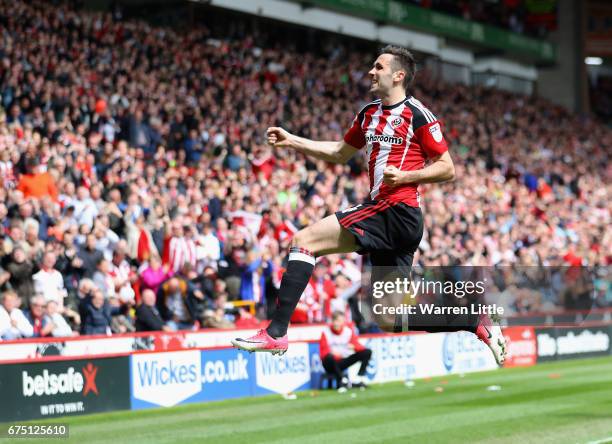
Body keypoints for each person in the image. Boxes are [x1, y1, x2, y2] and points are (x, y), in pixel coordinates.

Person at [232, 45, 506, 365]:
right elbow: (338, 152)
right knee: (388, 319)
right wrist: (292, 140)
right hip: (394, 219)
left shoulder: (418, 114)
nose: (371, 72)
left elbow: (448, 168)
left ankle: (276, 333)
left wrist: (405, 176)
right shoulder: (368, 114)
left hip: (395, 210)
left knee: (303, 241)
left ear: (398, 75)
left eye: (378, 67)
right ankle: (475, 322)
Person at [320, 311, 372, 392]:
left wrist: (354, 347)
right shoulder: (325, 332)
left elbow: (358, 346)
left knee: (367, 352)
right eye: (337, 321)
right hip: (330, 364)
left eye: (341, 321)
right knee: (329, 357)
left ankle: (360, 377)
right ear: (333, 321)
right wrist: (335, 355)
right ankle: (341, 381)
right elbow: (323, 353)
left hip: (343, 361)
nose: (338, 323)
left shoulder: (347, 331)